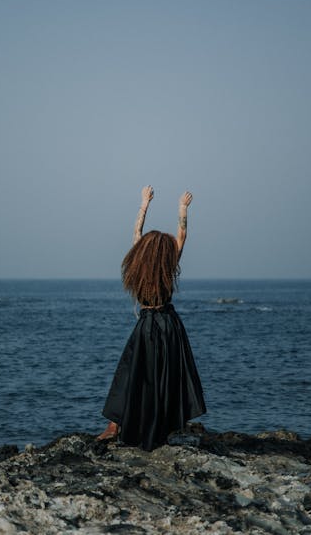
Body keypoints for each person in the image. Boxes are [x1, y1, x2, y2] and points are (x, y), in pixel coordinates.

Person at [97, 186, 206, 451]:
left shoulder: (139, 264)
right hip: (168, 325)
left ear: (145, 251)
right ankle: (162, 427)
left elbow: (136, 233)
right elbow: (182, 234)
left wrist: (144, 204)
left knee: (131, 373)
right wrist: (182, 208)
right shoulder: (168, 264)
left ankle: (116, 425)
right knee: (165, 376)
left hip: (146, 325)